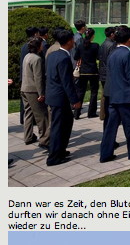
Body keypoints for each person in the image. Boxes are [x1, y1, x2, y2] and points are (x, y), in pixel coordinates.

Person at [99, 26, 130, 163]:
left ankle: (105, 153)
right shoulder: (128, 55)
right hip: (125, 96)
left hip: (112, 95)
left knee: (110, 127)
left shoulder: (113, 53)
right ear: (129, 39)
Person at [44, 28, 82, 166]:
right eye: (72, 39)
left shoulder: (53, 55)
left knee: (65, 125)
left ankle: (60, 150)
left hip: (54, 96)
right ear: (69, 41)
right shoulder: (64, 58)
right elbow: (67, 82)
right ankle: (54, 157)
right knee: (59, 127)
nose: (74, 42)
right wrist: (75, 100)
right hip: (60, 98)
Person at [21, 36, 50, 149]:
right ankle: (44, 139)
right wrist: (41, 93)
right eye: (41, 44)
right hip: (33, 90)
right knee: (41, 116)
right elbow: (38, 77)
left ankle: (28, 136)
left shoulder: (27, 56)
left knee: (28, 113)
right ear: (38, 46)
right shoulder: (37, 59)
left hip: (24, 88)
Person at [73, 28, 100, 119]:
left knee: (81, 92)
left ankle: (77, 113)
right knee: (94, 92)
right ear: (92, 36)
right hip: (93, 71)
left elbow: (76, 56)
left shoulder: (80, 45)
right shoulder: (95, 46)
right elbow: (99, 57)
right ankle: (91, 112)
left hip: (83, 71)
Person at [98, 26, 116, 125]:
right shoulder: (112, 45)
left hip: (102, 72)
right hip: (108, 73)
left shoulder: (103, 44)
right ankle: (107, 115)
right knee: (109, 97)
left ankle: (103, 114)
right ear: (112, 34)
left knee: (104, 95)